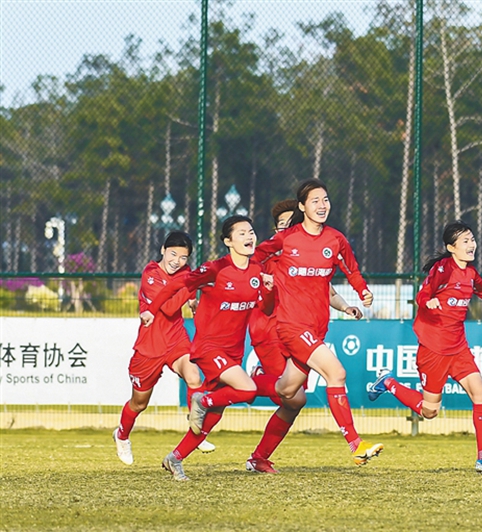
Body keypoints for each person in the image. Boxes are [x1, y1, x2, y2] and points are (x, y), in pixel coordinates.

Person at [367, 220, 482, 473]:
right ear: (451, 248)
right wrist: (428, 302)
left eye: (472, 239)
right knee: (429, 412)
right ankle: (388, 383)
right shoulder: (443, 269)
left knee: (480, 395)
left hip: (458, 348)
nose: (472, 245)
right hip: (433, 349)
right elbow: (422, 294)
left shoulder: (470, 273)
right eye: (465, 241)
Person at [253, 178, 383, 466]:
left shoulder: (335, 239)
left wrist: (362, 292)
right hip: (291, 326)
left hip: (317, 328)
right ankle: (356, 444)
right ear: (302, 207)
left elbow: (351, 269)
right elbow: (253, 258)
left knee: (290, 394)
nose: (322, 205)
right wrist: (259, 277)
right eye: (315, 201)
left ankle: (256, 453)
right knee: (336, 373)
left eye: (325, 199)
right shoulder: (286, 239)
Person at [141, 215, 280, 480]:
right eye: (241, 233)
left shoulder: (257, 271)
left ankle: (175, 458)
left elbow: (266, 308)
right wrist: (151, 310)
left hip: (233, 352)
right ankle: (201, 399)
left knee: (212, 417)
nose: (249, 237)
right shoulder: (215, 269)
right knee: (248, 390)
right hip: (209, 347)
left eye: (251, 232)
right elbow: (176, 284)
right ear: (228, 241)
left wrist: (270, 290)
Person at [113, 231, 215, 465]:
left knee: (193, 376)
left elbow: (189, 289)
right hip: (149, 347)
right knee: (139, 403)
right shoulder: (151, 275)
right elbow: (168, 307)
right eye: (173, 254)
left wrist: (193, 297)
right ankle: (122, 435)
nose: (177, 261)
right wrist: (191, 288)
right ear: (163, 250)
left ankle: (196, 429)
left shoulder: (186, 272)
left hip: (176, 339)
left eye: (183, 257)